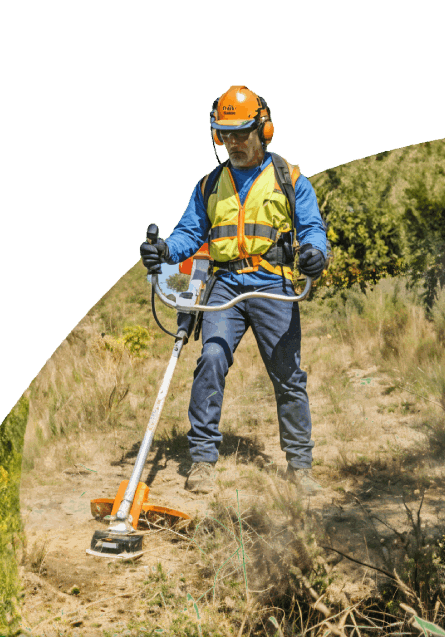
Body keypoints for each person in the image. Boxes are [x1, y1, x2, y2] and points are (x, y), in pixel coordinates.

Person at [138, 86, 329, 495]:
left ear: (265, 130)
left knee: (288, 375)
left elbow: (312, 228)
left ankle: (300, 466)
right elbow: (189, 234)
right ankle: (203, 459)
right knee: (211, 357)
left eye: (241, 133)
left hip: (273, 285)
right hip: (225, 285)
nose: (233, 143)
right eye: (224, 134)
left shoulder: (289, 178)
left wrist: (314, 253)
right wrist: (163, 251)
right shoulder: (208, 185)